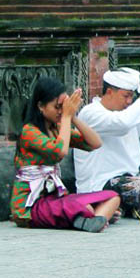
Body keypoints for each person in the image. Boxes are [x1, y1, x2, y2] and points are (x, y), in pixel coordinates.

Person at [11, 77, 120, 232]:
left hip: (55, 199)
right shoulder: (29, 131)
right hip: (30, 206)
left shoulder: (57, 128)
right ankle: (93, 217)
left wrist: (73, 116)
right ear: (41, 106)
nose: (61, 112)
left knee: (112, 197)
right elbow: (59, 152)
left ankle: (95, 219)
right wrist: (67, 117)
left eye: (64, 107)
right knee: (85, 207)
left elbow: (95, 143)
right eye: (57, 107)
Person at [74, 67, 140, 219]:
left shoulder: (130, 113)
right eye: (126, 96)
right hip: (100, 185)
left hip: (131, 180)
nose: (129, 102)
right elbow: (122, 124)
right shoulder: (90, 113)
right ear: (109, 92)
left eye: (132, 97)